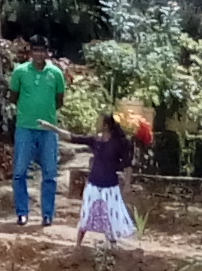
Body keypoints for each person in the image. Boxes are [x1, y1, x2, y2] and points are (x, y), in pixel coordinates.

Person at [9, 40, 69, 228]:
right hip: (25, 127)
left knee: (50, 173)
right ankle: (22, 213)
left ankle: (47, 215)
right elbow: (13, 96)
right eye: (35, 50)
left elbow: (59, 100)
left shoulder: (56, 74)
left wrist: (46, 115)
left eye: (42, 51)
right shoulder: (20, 71)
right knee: (20, 172)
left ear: (47, 53)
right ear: (30, 52)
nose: (38, 54)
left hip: (49, 130)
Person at [75, 114, 140, 246]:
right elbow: (73, 138)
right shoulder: (95, 140)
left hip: (110, 185)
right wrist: (53, 129)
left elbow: (127, 165)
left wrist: (127, 183)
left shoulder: (118, 143)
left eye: (99, 121)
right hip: (93, 184)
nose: (96, 123)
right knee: (87, 213)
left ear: (105, 125)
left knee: (111, 214)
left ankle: (112, 242)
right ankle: (78, 244)